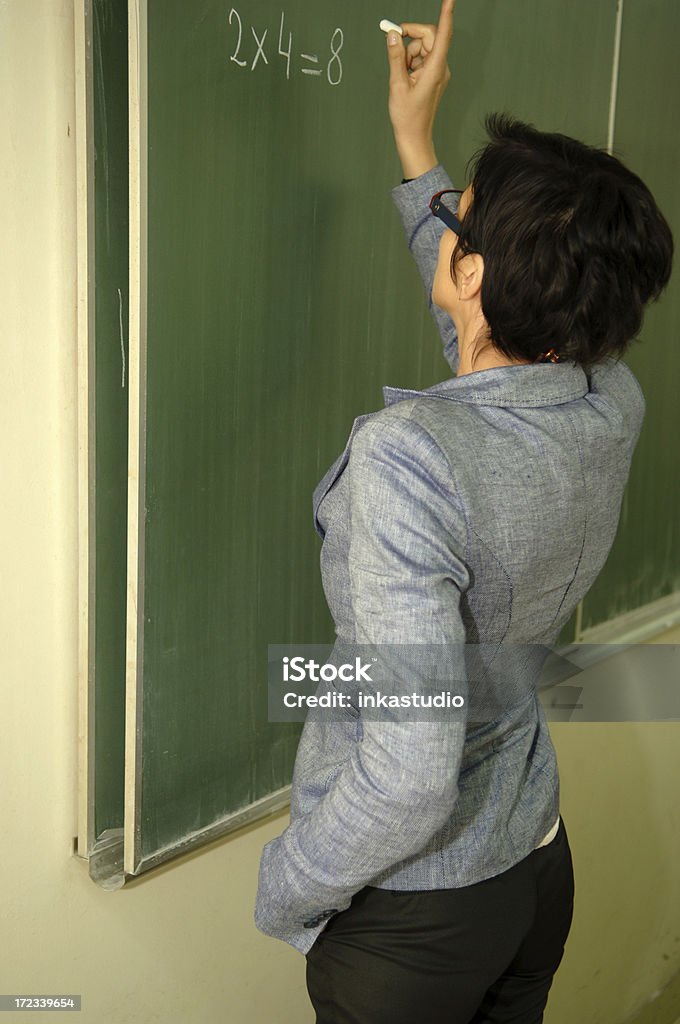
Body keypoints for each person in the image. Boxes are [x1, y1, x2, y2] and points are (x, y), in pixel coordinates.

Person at [254, 1, 674, 1021]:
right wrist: (415, 143)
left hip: (414, 918)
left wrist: (287, 885)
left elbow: (406, 774)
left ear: (474, 271)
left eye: (458, 219)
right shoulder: (603, 396)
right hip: (532, 862)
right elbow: (496, 343)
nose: (446, 227)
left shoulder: (408, 462)